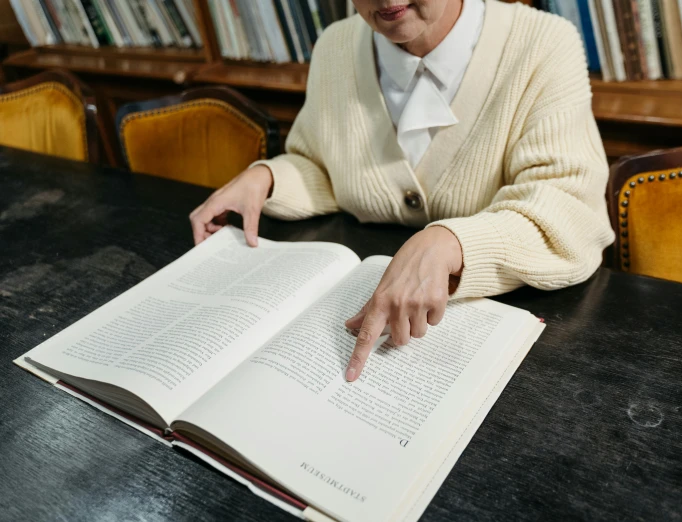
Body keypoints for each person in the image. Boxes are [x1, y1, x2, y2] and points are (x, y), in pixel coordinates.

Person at [189, 0, 615, 381]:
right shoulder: (336, 45)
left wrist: (453, 242)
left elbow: (569, 210)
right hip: (358, 315)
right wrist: (269, 178)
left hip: (516, 343)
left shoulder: (543, 41)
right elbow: (328, 167)